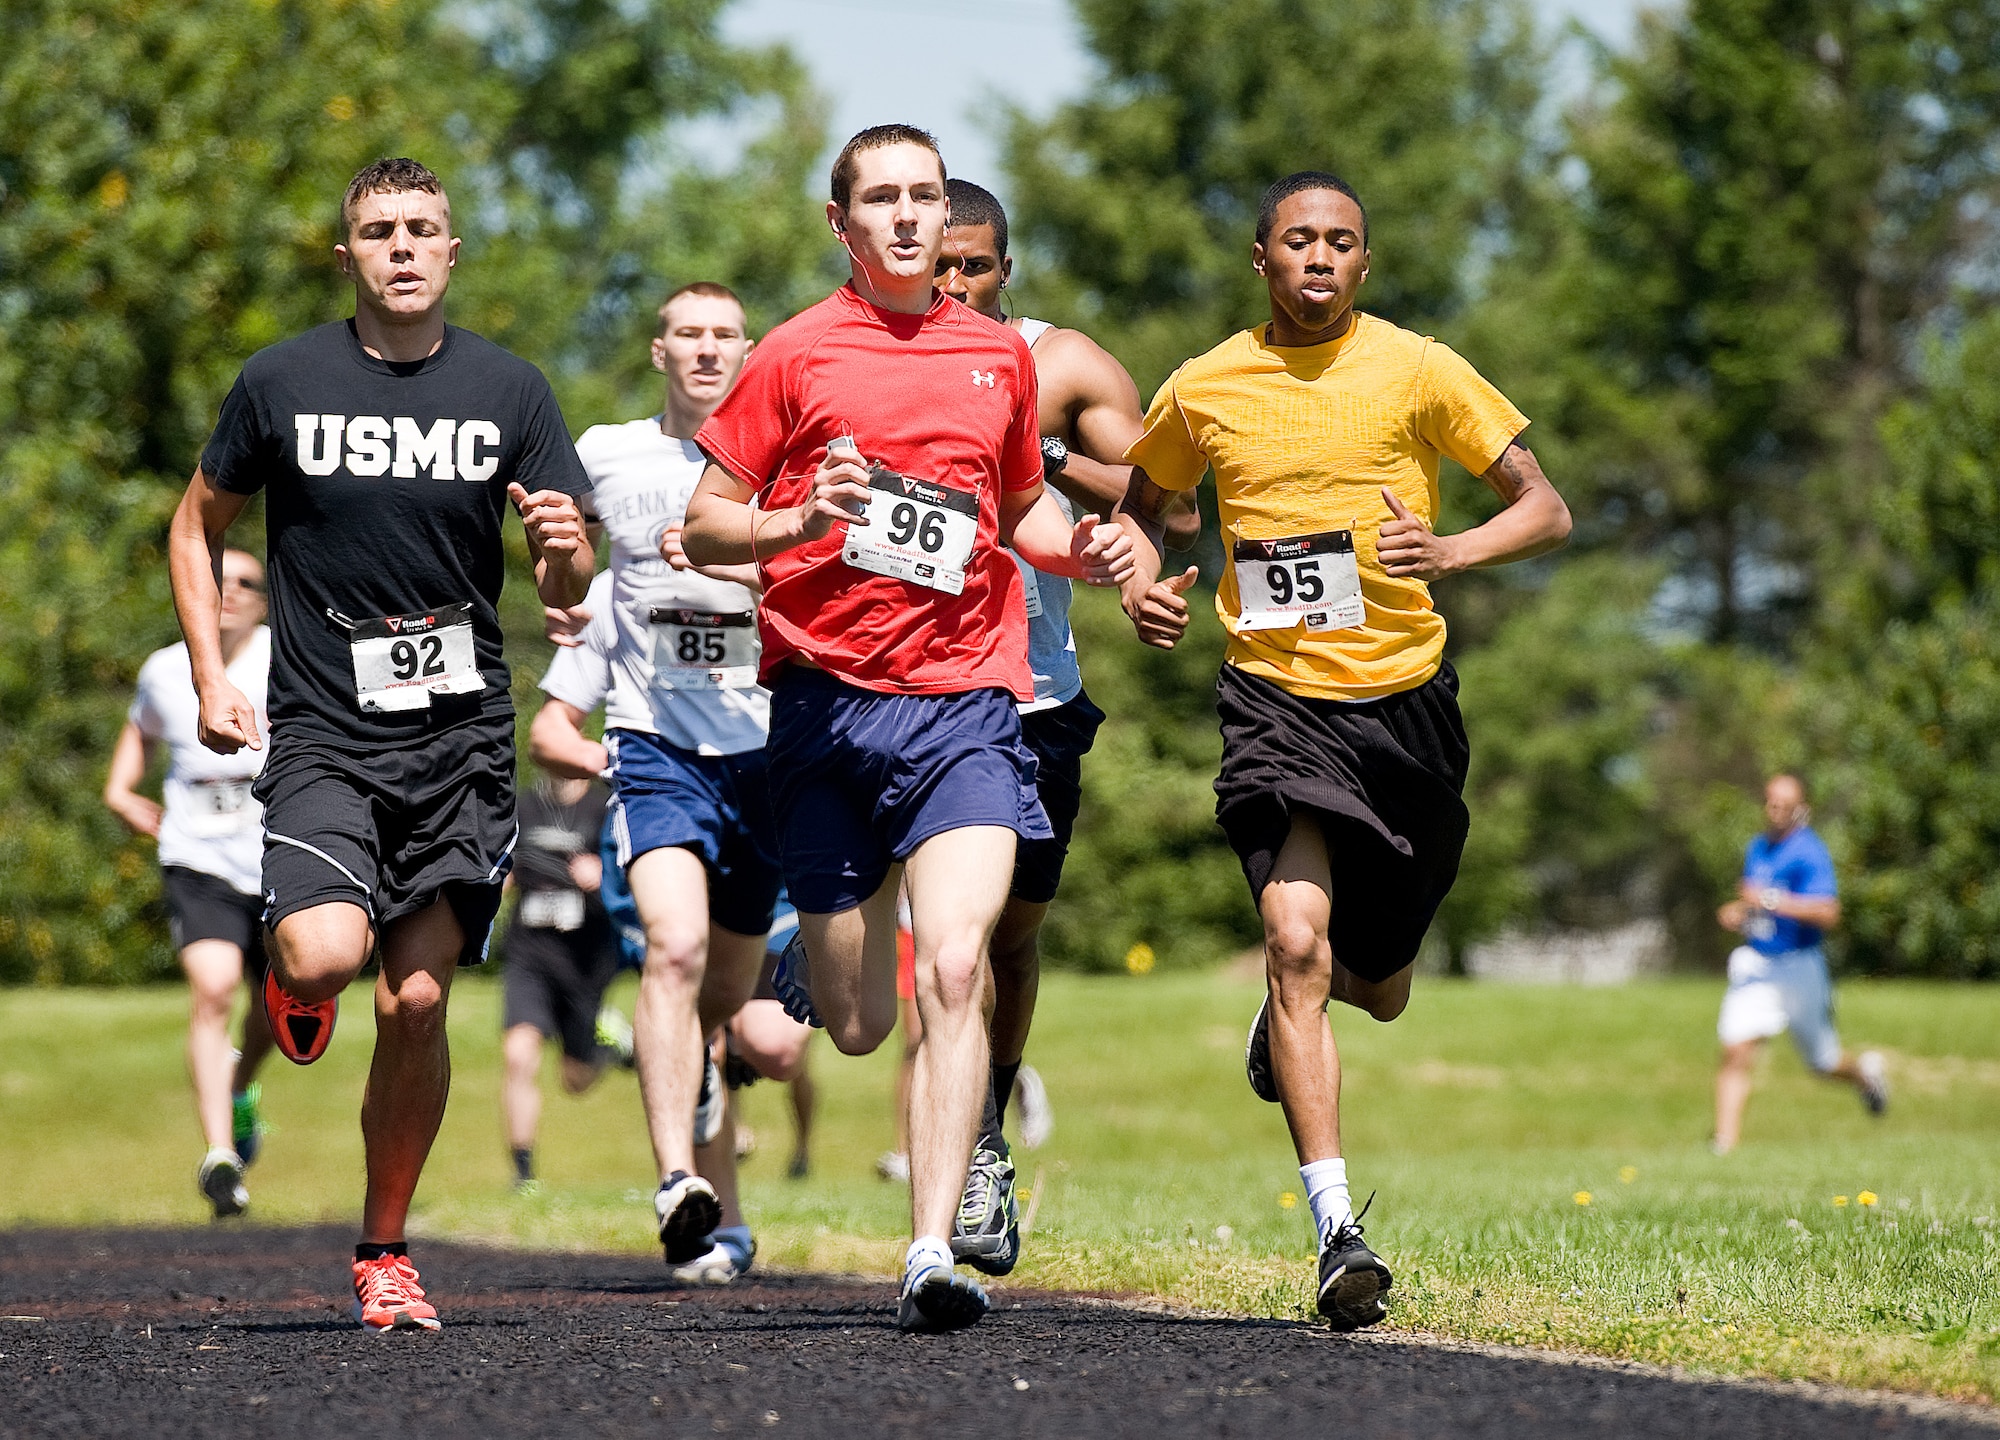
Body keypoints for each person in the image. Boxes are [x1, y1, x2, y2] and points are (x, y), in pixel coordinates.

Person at [681, 123, 1133, 1332]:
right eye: (878, 198)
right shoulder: (790, 355)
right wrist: (792, 524)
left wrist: (1087, 551)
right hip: (825, 712)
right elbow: (705, 525)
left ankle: (928, 1250)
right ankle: (807, 947)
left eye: (922, 197)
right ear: (841, 222)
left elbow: (1023, 508)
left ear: (945, 218)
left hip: (967, 705)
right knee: (854, 1017)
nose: (904, 217)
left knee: (953, 968)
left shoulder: (996, 356)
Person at [1110, 171, 1572, 1330]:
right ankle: (1335, 1232)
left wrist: (1451, 552)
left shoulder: (1418, 367)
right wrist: (1144, 578)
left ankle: (1286, 1022)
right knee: (1294, 941)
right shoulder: (1203, 385)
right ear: (1259, 259)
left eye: (1341, 242)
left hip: (1404, 710)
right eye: (1297, 241)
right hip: (1272, 700)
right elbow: (1147, 500)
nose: (1318, 257)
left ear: (1363, 264)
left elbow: (1543, 506)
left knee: (1378, 988)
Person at [167, 156, 592, 1333]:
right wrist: (210, 671)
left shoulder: (512, 390)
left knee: (415, 1002)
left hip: (459, 744)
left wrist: (560, 546)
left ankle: (384, 1251)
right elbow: (195, 524)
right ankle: (293, 981)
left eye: (422, 229)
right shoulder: (282, 380)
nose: (401, 246)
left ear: (452, 252)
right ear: (345, 253)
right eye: (378, 230)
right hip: (324, 732)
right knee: (318, 959)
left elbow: (568, 582)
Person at [931, 179, 1201, 1249]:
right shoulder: (851, 349)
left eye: (973, 265)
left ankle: (986, 1121)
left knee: (1010, 937)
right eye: (937, 263)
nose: (952, 283)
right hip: (905, 680)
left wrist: (1036, 461)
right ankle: (958, 1159)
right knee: (950, 943)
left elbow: (1167, 499)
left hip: (1032, 689)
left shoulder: (1061, 364)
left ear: (1007, 268)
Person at [541, 281, 782, 1269]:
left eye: (724, 335)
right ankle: (678, 1178)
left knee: (724, 1000)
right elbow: (560, 581)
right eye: (687, 334)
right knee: (672, 954)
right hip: (654, 746)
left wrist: (738, 563)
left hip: (765, 757)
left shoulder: (783, 453)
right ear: (658, 352)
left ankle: (701, 1074)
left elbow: (827, 577)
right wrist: (560, 581)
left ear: (747, 351)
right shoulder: (606, 452)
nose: (705, 350)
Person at [530, 569, 801, 1284]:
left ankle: (703, 1090)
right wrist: (614, 759)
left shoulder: (774, 571)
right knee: (683, 980)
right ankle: (712, 1213)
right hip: (665, 821)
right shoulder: (622, 588)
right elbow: (550, 730)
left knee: (771, 1043)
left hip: (763, 824)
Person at [105, 546, 276, 1220]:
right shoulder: (165, 670)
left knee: (282, 1002)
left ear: (265, 599)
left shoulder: (284, 657)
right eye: (215, 579)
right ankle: (220, 1155)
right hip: (196, 856)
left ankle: (238, 1089)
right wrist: (121, 792)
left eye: (245, 582)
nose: (229, 591)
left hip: (278, 855)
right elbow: (139, 732)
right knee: (212, 989)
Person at [1713, 773, 1887, 1154]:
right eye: (1771, 803)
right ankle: (1724, 1144)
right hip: (1758, 963)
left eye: (1785, 805)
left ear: (1799, 809)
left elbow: (1828, 912)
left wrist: (1771, 900)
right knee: (1735, 1049)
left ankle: (1866, 1078)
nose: (1776, 811)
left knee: (1822, 1063)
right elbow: (1755, 905)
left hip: (1800, 967)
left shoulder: (1810, 851)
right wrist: (1737, 913)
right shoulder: (1758, 847)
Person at [498, 764, 629, 1193]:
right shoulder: (524, 806)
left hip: (585, 959)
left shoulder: (604, 808)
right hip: (529, 953)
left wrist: (604, 873)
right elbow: (504, 868)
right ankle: (523, 1174)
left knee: (576, 1079)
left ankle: (609, 1048)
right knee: (519, 1055)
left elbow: (633, 876)